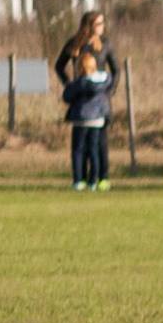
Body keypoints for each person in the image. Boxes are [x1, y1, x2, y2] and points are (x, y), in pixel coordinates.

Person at [60, 50, 114, 191]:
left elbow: (66, 96)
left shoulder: (80, 83)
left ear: (80, 68)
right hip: (98, 121)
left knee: (78, 150)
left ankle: (78, 180)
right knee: (94, 150)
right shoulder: (104, 80)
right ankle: (93, 180)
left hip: (81, 120)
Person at [54, 10, 120, 90]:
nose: (103, 26)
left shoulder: (105, 44)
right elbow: (59, 66)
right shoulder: (73, 43)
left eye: (103, 22)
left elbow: (116, 70)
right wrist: (69, 85)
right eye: (99, 24)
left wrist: (110, 91)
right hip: (80, 94)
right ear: (89, 26)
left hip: (99, 93)